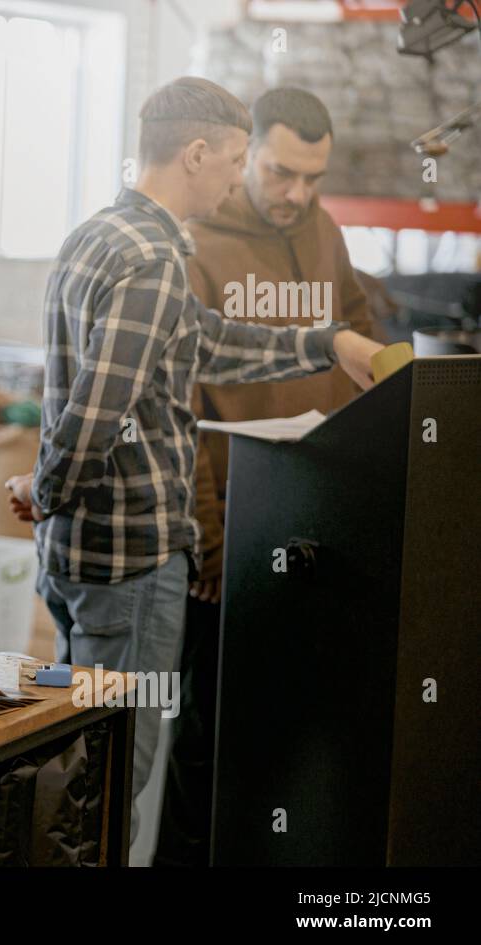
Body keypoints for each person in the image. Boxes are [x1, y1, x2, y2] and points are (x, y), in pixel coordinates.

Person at [6, 76, 383, 845]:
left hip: (81, 560)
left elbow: (209, 344)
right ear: (198, 153)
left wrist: (328, 342)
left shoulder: (104, 234)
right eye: (239, 159)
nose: (237, 178)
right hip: (132, 565)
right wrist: (44, 489)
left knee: (81, 760)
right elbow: (94, 417)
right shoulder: (154, 260)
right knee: (114, 781)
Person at [154, 87, 380, 867]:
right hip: (231, 538)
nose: (299, 194)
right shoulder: (192, 245)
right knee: (210, 739)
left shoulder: (321, 229)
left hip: (321, 528)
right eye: (283, 172)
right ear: (245, 154)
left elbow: (359, 340)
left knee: (298, 730)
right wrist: (209, 545)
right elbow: (174, 409)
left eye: (313, 177)